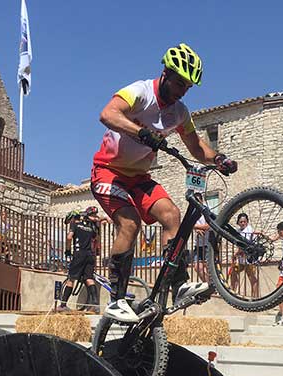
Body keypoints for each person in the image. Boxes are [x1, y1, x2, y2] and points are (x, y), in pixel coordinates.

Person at [90, 43, 237, 322]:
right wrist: (143, 133)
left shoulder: (180, 112)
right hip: (108, 171)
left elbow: (196, 148)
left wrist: (219, 158)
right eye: (180, 83)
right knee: (130, 223)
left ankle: (178, 284)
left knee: (172, 215)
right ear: (166, 73)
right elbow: (107, 114)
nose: (182, 90)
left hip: (139, 178)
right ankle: (117, 299)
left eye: (188, 86)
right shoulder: (140, 92)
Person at [58, 207, 101, 313]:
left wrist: (68, 250)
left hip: (79, 254)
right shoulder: (91, 228)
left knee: (71, 279)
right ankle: (95, 305)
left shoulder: (75, 225)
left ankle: (63, 305)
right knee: (89, 279)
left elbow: (69, 237)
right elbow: (97, 239)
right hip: (90, 255)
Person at [229, 213, 259, 297]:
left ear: (247, 222)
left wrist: (236, 254)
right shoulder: (238, 231)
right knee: (233, 272)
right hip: (241, 258)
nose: (243, 223)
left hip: (249, 258)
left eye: (244, 221)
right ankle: (233, 291)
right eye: (241, 222)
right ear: (238, 222)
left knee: (251, 277)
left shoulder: (248, 230)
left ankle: (255, 297)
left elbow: (244, 245)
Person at [193, 214, 210, 283]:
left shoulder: (207, 212)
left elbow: (207, 226)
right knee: (197, 267)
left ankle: (213, 287)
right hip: (198, 245)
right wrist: (196, 229)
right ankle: (209, 286)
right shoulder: (194, 214)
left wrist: (194, 226)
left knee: (209, 269)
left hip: (207, 245)